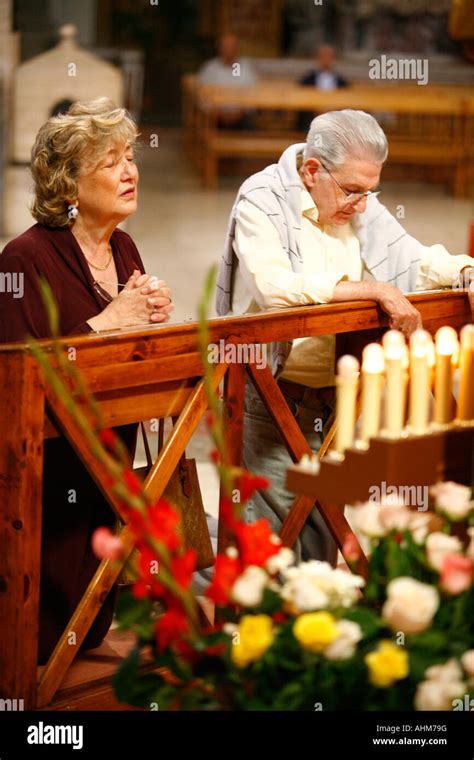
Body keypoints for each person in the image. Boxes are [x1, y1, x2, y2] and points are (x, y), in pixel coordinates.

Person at [216, 109, 474, 566]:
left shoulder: (359, 201)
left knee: (318, 540)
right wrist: (372, 289)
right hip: (269, 389)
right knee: (270, 540)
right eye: (353, 190)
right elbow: (274, 288)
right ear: (312, 170)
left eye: (371, 191)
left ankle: (307, 631)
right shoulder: (263, 196)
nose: (362, 203)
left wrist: (465, 270)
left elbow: (412, 258)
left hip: (334, 395)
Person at [0, 98, 173, 664]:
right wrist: (107, 323)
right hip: (47, 473)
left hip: (107, 453)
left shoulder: (122, 248)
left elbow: (124, 343)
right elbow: (19, 373)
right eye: (111, 162)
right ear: (69, 184)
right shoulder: (24, 259)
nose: (130, 170)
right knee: (38, 636)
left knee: (88, 629)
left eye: (130, 156)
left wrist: (148, 322)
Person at [197, 33, 257, 129]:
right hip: (215, 117)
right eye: (225, 47)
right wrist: (218, 114)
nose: (229, 50)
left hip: (241, 117)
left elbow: (253, 94)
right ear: (219, 48)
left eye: (232, 47)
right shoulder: (210, 68)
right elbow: (202, 96)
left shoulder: (243, 68)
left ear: (237, 49)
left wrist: (240, 113)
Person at [297, 45, 349, 133]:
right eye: (322, 56)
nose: (326, 60)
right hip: (311, 121)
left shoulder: (342, 82)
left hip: (336, 123)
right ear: (317, 59)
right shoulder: (306, 80)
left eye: (329, 57)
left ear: (334, 59)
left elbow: (347, 102)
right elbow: (301, 100)